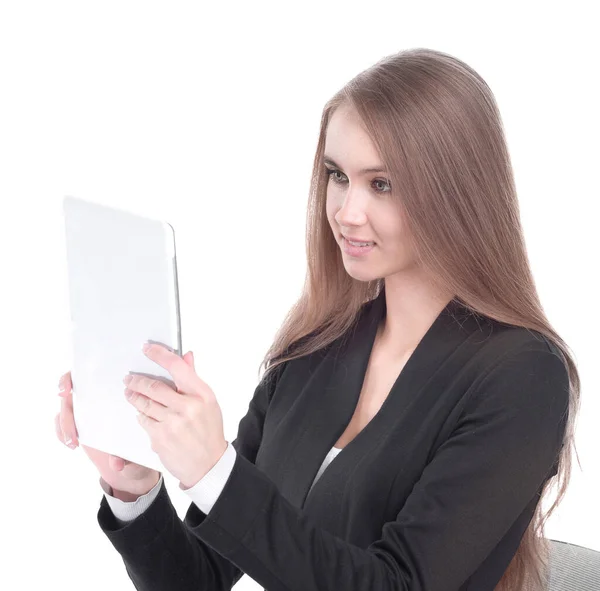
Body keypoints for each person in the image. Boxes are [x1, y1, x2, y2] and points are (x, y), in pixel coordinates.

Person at [55, 47, 580, 591]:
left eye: (382, 184)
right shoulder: (318, 348)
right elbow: (203, 577)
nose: (346, 212)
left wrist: (214, 475)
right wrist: (135, 488)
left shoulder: (521, 377)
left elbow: (396, 585)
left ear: (454, 191)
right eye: (337, 175)